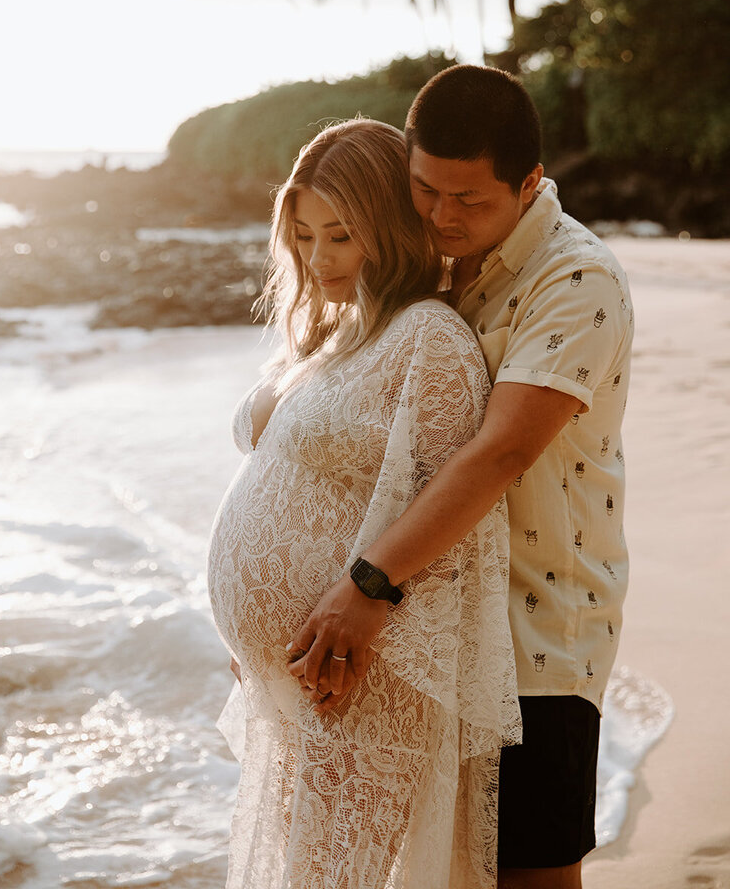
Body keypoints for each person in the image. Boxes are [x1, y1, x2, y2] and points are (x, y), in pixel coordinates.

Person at [287, 66, 633, 889]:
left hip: (536, 635)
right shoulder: (446, 268)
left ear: (529, 184)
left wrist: (365, 588)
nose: (443, 217)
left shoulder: (574, 278)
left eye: (469, 200)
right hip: (443, 628)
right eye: (424, 191)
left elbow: (501, 451)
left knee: (530, 875)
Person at [207, 118, 521, 889]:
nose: (319, 259)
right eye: (306, 236)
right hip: (302, 680)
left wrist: (364, 617)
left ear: (386, 224)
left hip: (361, 678)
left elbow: (458, 520)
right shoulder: (342, 330)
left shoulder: (430, 336)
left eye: (342, 235)